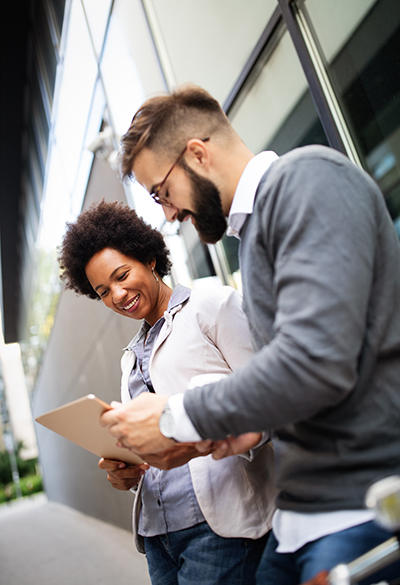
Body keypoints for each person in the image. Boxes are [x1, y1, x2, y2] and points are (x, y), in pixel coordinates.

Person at [99, 84, 400, 584]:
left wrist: (179, 417)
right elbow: (296, 372)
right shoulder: (254, 236)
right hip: (301, 513)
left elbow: (315, 362)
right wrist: (239, 429)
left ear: (197, 153)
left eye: (162, 193)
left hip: (359, 503)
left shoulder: (308, 181)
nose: (168, 214)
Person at [57, 199, 275, 585]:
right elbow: (156, 440)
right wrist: (128, 470)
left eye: (122, 275)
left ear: (149, 259)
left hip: (219, 527)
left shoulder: (212, 306)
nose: (119, 295)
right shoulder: (130, 358)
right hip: (157, 534)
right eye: (104, 291)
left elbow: (269, 401)